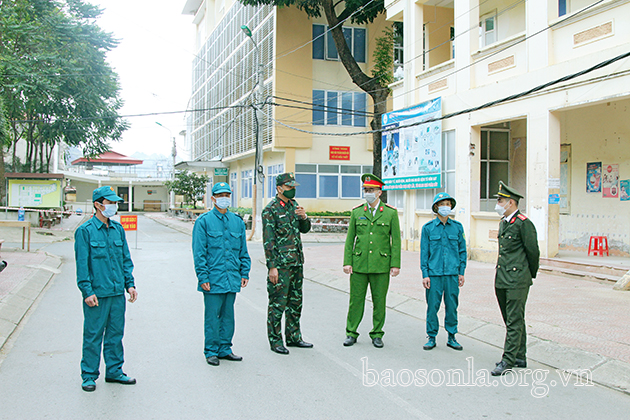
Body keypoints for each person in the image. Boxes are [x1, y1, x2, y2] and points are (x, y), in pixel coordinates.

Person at [75, 186, 137, 392]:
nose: (114, 206)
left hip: (117, 293)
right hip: (98, 294)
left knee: (115, 334)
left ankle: (114, 371)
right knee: (93, 335)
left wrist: (130, 284)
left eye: (114, 203)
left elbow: (125, 259)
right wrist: (87, 291)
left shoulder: (118, 229)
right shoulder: (85, 231)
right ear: (98, 205)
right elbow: (82, 266)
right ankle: (89, 375)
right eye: (110, 203)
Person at [192, 182, 251, 366]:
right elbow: (199, 253)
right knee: (212, 316)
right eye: (220, 195)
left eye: (227, 195)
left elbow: (243, 250)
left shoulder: (237, 222)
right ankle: (211, 350)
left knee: (228, 316)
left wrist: (245, 272)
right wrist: (203, 277)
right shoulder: (204, 222)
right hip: (213, 278)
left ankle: (225, 348)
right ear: (213, 198)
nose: (224, 198)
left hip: (231, 277)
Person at [343, 174, 401, 348]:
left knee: (379, 301)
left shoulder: (390, 213)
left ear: (379, 192)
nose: (368, 193)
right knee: (356, 300)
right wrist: (347, 262)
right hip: (359, 264)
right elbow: (350, 239)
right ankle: (351, 332)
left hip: (381, 264)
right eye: (366, 190)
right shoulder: (357, 212)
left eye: (371, 190)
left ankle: (377, 333)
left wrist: (395, 264)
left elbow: (396, 241)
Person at [491, 181, 540, 376]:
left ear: (510, 202)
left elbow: (533, 253)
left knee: (513, 320)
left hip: (517, 279)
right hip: (502, 278)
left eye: (500, 200)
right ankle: (520, 355)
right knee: (512, 319)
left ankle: (508, 359)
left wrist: (528, 275)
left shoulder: (523, 223)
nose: (498, 204)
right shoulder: (504, 222)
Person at [262, 172, 312, 355]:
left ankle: (293, 337)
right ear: (279, 188)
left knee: (295, 302)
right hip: (281, 265)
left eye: (293, 187)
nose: (292, 190)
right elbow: (269, 241)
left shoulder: (294, 206)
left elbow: (305, 230)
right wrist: (272, 267)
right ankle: (275, 341)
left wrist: (304, 217)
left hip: (296, 263)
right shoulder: (271, 210)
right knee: (278, 304)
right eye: (289, 187)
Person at [420, 192, 467, 351]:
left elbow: (462, 251)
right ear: (436, 207)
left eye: (447, 204)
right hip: (434, 274)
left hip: (452, 274)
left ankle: (452, 336)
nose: (445, 207)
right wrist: (425, 274)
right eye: (442, 204)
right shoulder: (428, 228)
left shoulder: (457, 227)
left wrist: (461, 272)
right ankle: (431, 336)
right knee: (432, 307)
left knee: (452, 306)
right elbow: (424, 253)